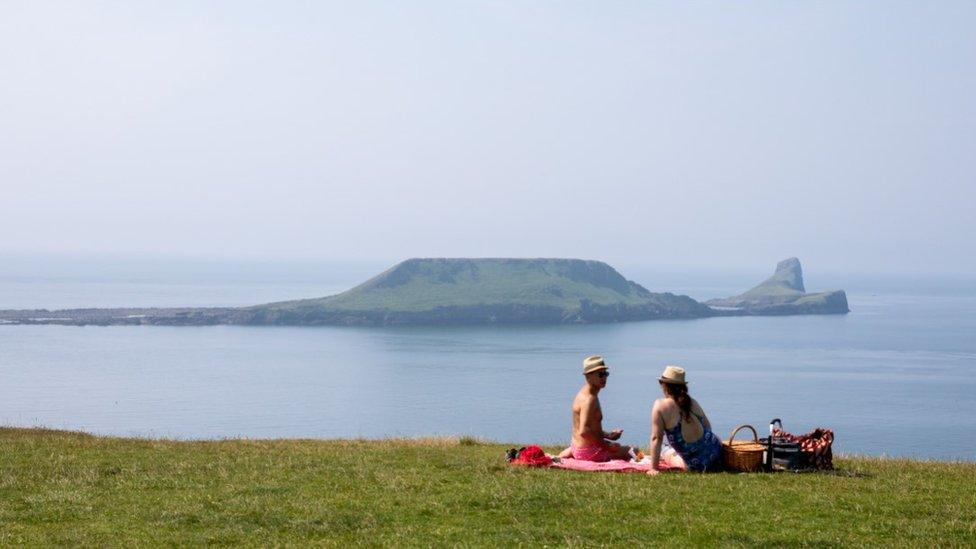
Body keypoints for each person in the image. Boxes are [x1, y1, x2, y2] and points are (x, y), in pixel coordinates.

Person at [556, 355, 635, 462]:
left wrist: (609, 435)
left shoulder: (583, 393)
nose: (604, 378)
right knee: (633, 450)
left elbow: (588, 428)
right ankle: (648, 463)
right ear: (588, 376)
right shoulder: (590, 399)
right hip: (590, 453)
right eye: (600, 374)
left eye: (606, 374)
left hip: (577, 448)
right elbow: (584, 431)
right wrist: (607, 445)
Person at [648, 365, 722, 472]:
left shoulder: (660, 405)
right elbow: (707, 427)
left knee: (665, 449)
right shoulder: (692, 402)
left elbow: (656, 438)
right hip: (717, 454)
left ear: (665, 385)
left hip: (697, 465)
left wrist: (653, 468)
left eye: (661, 383)